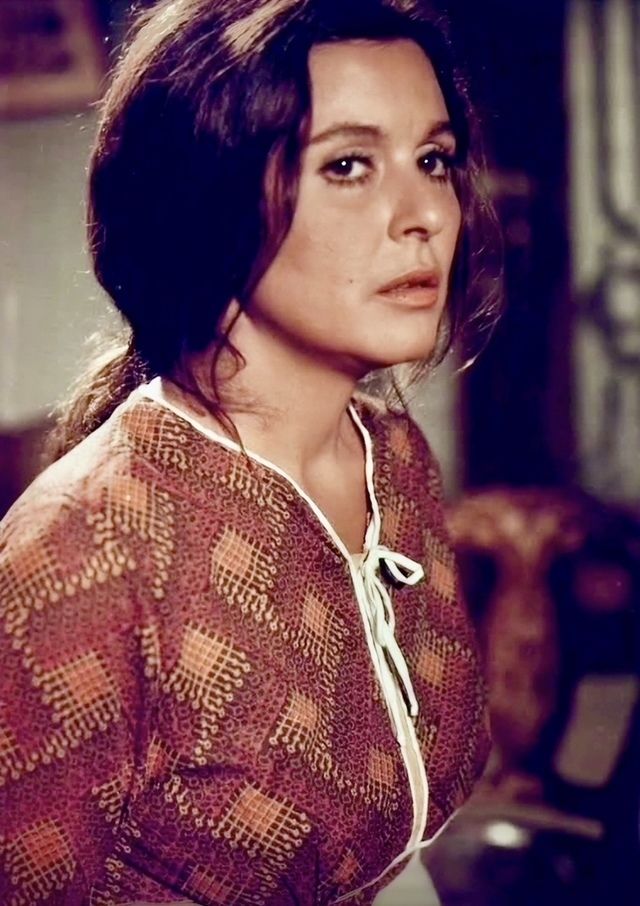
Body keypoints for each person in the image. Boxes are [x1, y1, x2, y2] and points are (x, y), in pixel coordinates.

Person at [0, 0, 501, 903]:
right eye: (347, 165)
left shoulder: (393, 455)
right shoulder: (83, 551)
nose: (426, 212)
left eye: (432, 159)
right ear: (209, 201)